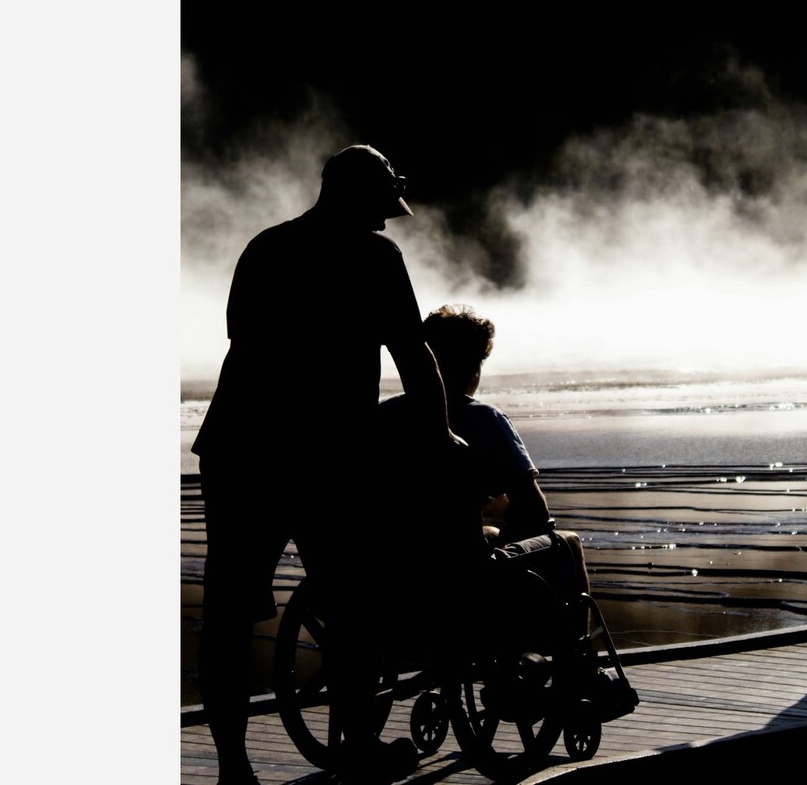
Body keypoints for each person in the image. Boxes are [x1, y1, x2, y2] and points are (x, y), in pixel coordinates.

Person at [191, 144, 463, 785]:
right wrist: (441, 434)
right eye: (382, 206)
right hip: (324, 458)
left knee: (229, 616)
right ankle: (359, 750)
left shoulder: (265, 248)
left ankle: (233, 770)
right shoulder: (375, 257)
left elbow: (246, 343)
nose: (387, 219)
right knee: (353, 605)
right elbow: (413, 353)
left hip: (237, 450)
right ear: (359, 197)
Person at [375, 304, 591, 658]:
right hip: (461, 578)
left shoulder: (384, 416)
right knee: (566, 543)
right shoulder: (485, 419)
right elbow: (535, 510)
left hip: (391, 573)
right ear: (474, 366)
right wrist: (507, 513)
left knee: (487, 533)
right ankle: (575, 663)